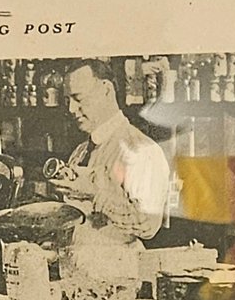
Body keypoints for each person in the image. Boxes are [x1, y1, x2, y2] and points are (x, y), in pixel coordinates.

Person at [57, 56, 171, 255]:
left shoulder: (140, 149)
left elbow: (148, 224)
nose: (71, 109)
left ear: (107, 90)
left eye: (78, 98)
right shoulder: (80, 152)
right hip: (77, 268)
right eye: (68, 100)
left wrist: (94, 193)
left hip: (119, 270)